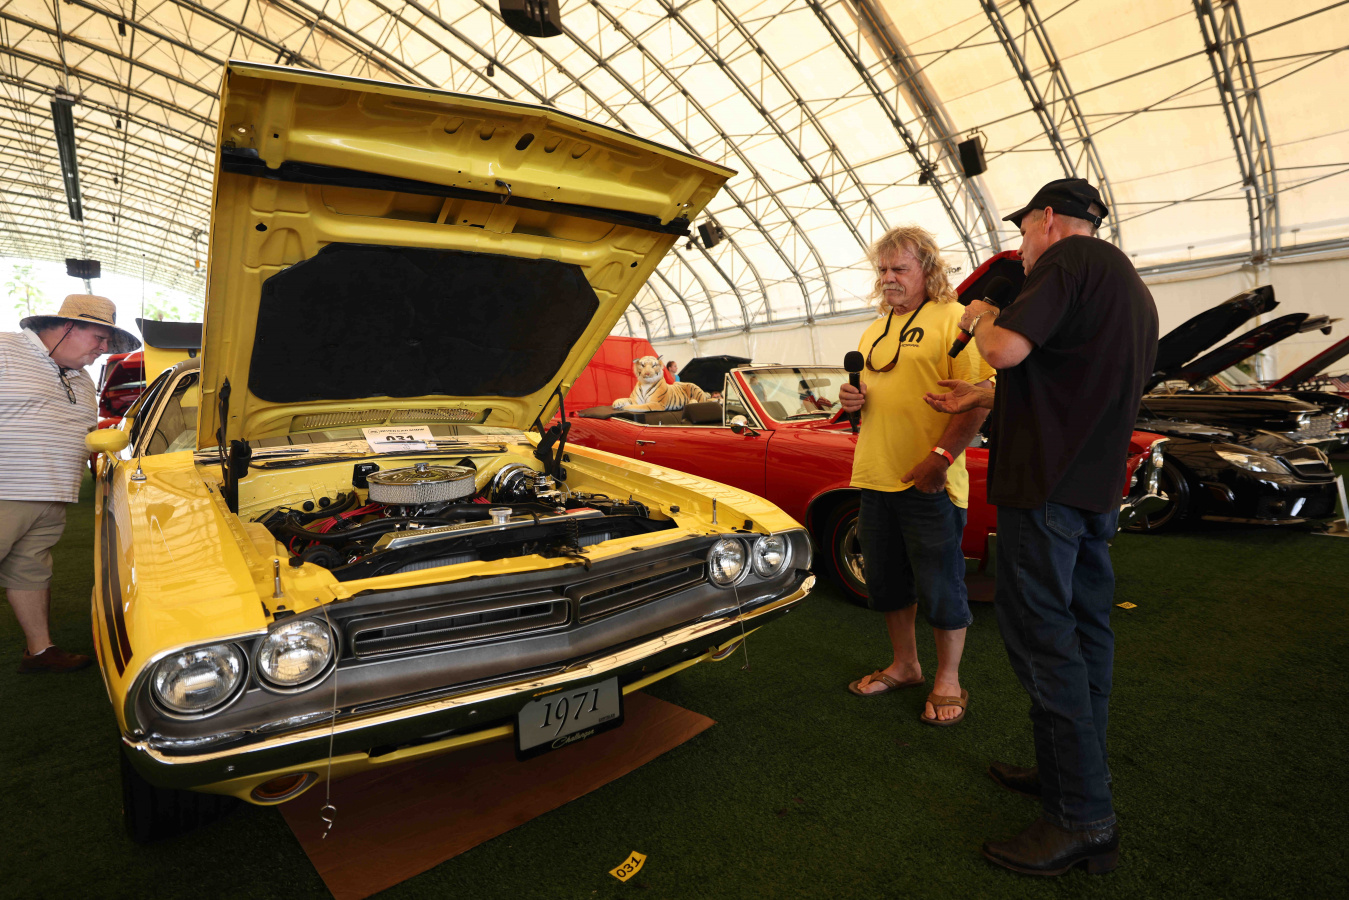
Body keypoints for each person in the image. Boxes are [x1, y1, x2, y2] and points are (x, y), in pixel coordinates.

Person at [925, 179, 1158, 875]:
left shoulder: (1065, 260)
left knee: (1043, 642)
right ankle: (1070, 773)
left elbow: (1003, 348)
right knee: (1085, 635)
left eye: (1024, 228)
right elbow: (1067, 381)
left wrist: (978, 316)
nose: (1022, 244)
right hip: (1089, 490)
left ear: (1047, 219)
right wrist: (984, 396)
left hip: (1045, 489)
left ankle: (1080, 818)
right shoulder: (1128, 285)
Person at [838, 225, 995, 725]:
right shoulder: (874, 329)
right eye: (883, 269)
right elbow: (883, 395)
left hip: (930, 479)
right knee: (887, 582)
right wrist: (853, 400)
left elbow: (978, 399)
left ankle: (948, 680)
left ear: (928, 270)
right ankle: (905, 666)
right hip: (875, 476)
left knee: (942, 585)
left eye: (899, 269)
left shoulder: (956, 320)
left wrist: (940, 459)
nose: (888, 278)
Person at [1, 294, 140, 673]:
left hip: (54, 492)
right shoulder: (5, 349)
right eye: (99, 337)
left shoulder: (81, 378)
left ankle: (40, 651)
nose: (104, 348)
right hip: (7, 489)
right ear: (68, 326)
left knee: (30, 569)